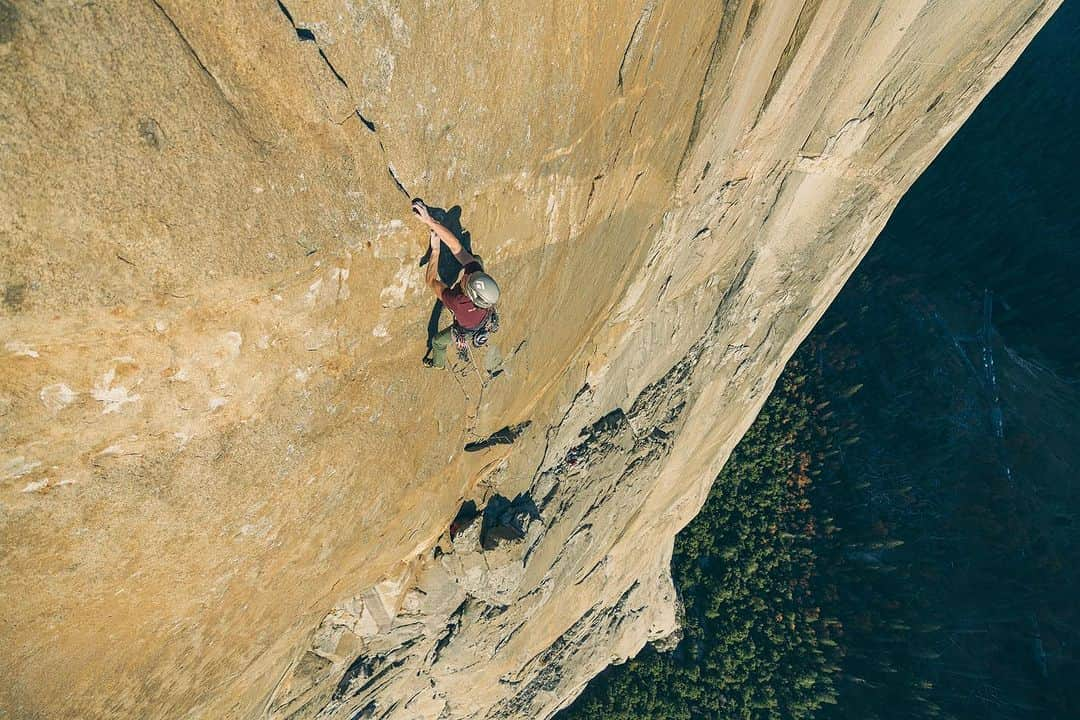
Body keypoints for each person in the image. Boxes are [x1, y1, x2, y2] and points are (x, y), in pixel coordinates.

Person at [411, 198, 500, 368]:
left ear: (469, 293)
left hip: (467, 327)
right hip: (482, 319)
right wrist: (429, 221)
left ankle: (438, 364)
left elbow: (430, 281)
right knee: (476, 261)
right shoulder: (476, 274)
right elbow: (455, 246)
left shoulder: (457, 302)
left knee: (437, 342)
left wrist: (435, 250)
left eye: (467, 278)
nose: (468, 274)